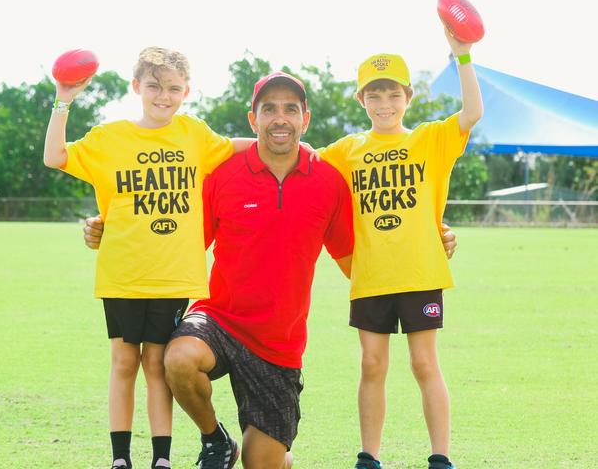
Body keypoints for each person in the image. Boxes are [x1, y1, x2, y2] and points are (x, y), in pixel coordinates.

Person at [84, 71, 459, 469]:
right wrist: (106, 227)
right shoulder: (221, 175)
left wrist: (434, 239)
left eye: (290, 110)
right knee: (177, 359)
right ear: (254, 120)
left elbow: (360, 256)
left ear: (304, 119)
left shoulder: (329, 182)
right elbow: (175, 234)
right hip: (219, 321)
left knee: (261, 464)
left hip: (279, 345)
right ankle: (216, 440)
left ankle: (275, 455)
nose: (280, 118)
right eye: (269, 110)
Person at [43, 46, 256, 469]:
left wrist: (292, 143)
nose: (164, 95)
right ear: (137, 86)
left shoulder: (193, 134)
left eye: (174, 88)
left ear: (187, 92)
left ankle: (161, 459)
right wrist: (63, 98)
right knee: (124, 361)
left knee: (157, 363)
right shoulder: (109, 138)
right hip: (123, 272)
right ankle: (120, 458)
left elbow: (234, 147)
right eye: (155, 86)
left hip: (172, 276)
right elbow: (55, 156)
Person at [318, 30, 483, 469]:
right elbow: (301, 164)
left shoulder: (429, 139)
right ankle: (369, 457)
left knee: (424, 364)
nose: (384, 103)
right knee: (372, 365)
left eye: (393, 93)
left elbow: (472, 112)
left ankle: (441, 457)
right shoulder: (346, 150)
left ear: (407, 96)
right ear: (361, 100)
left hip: (421, 272)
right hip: (370, 276)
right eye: (375, 94)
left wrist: (463, 56)